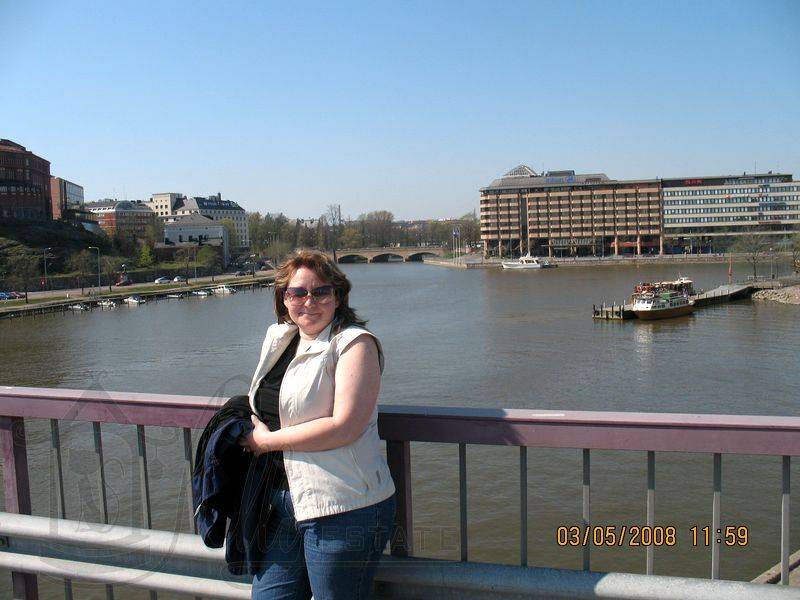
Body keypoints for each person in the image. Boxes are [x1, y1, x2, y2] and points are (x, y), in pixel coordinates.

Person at [238, 249, 396, 600]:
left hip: (343, 506)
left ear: (338, 297)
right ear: (283, 298)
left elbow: (345, 426)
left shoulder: (354, 344)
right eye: (297, 292)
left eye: (321, 292)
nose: (309, 301)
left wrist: (266, 442)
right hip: (283, 501)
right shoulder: (280, 339)